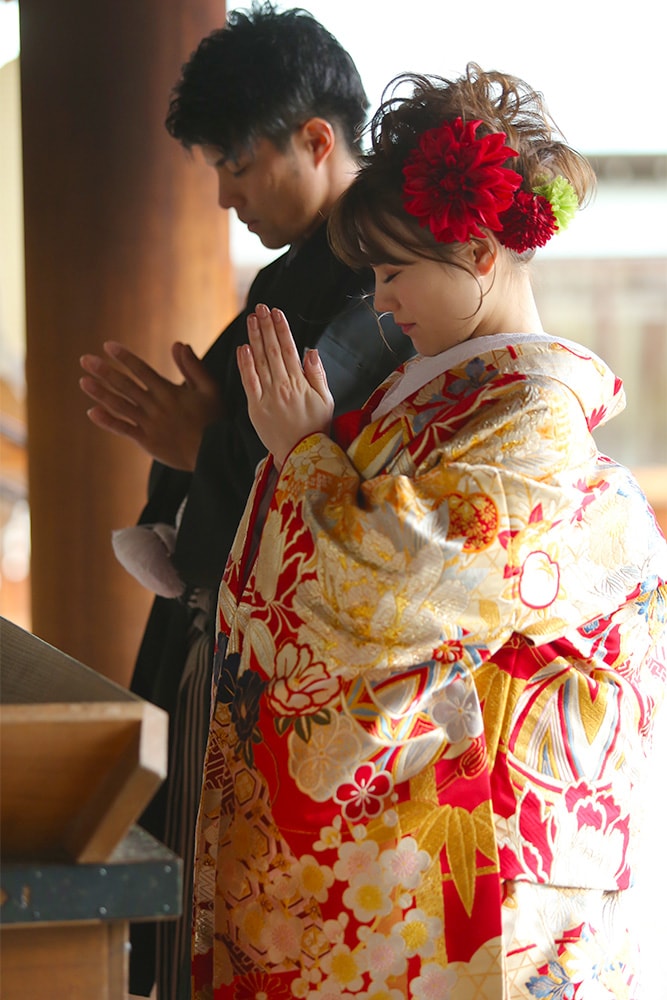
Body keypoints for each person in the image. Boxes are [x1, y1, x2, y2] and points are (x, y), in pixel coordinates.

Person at [192, 63, 667, 998]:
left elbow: (391, 582)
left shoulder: (531, 413)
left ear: (481, 255)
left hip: (465, 847)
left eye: (394, 270)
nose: (380, 299)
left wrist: (303, 454)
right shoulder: (429, 395)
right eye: (373, 274)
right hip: (398, 835)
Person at [79, 5, 413, 998]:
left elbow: (338, 467)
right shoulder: (302, 271)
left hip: (308, 664)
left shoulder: (382, 286)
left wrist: (200, 444)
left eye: (237, 164)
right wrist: (195, 439)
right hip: (223, 619)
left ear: (318, 140)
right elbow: (252, 435)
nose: (224, 195)